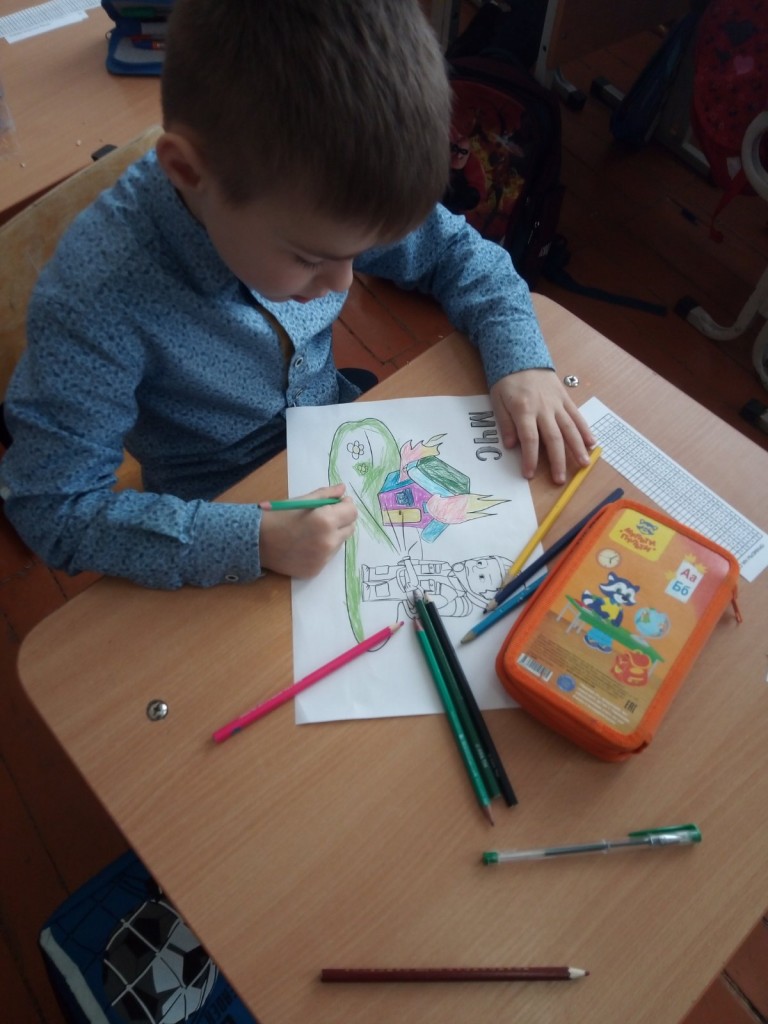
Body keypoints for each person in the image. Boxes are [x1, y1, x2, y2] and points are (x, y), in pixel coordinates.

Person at [0, 0, 594, 590]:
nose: (344, 284)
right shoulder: (95, 299)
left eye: (359, 253)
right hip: (217, 507)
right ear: (188, 171)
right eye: (311, 259)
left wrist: (520, 361)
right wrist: (249, 540)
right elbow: (53, 509)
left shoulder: (312, 192)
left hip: (331, 439)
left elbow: (458, 253)